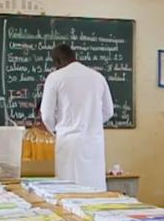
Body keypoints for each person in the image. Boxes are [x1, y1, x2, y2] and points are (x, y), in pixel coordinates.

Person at [40, 44, 114, 190]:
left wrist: (56, 130)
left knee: (70, 193)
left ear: (57, 61)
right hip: (94, 142)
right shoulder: (98, 77)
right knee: (94, 191)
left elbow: (47, 115)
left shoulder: (55, 78)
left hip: (68, 142)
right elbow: (109, 111)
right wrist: (92, 124)